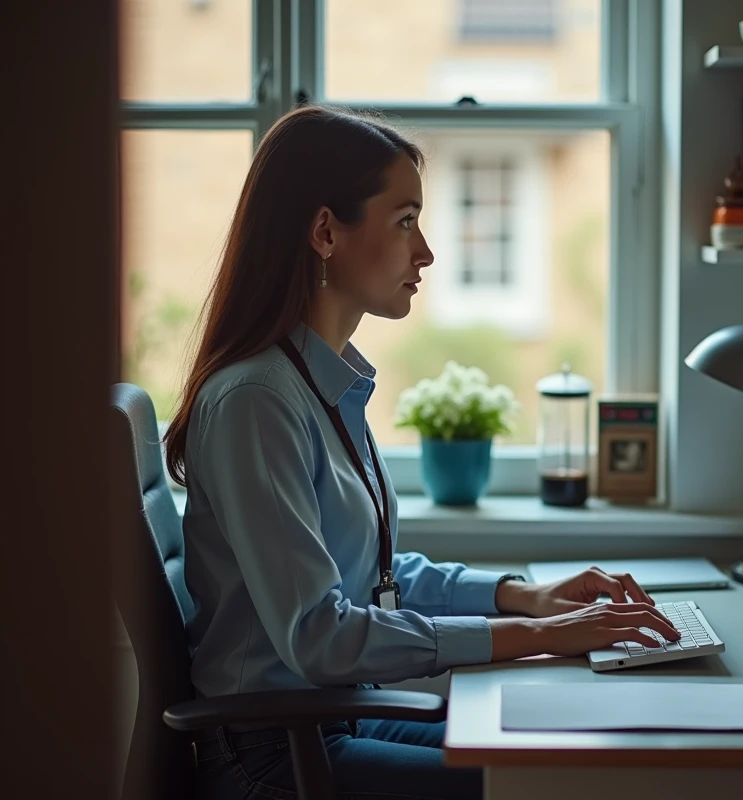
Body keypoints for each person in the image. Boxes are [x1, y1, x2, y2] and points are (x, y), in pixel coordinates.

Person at [162, 105, 681, 800]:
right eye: (405, 220)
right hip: (276, 759)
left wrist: (526, 597)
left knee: (586, 756)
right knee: (561, 786)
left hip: (331, 724)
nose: (427, 251)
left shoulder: (323, 382)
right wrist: (542, 634)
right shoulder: (257, 401)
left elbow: (373, 572)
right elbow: (320, 635)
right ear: (325, 232)